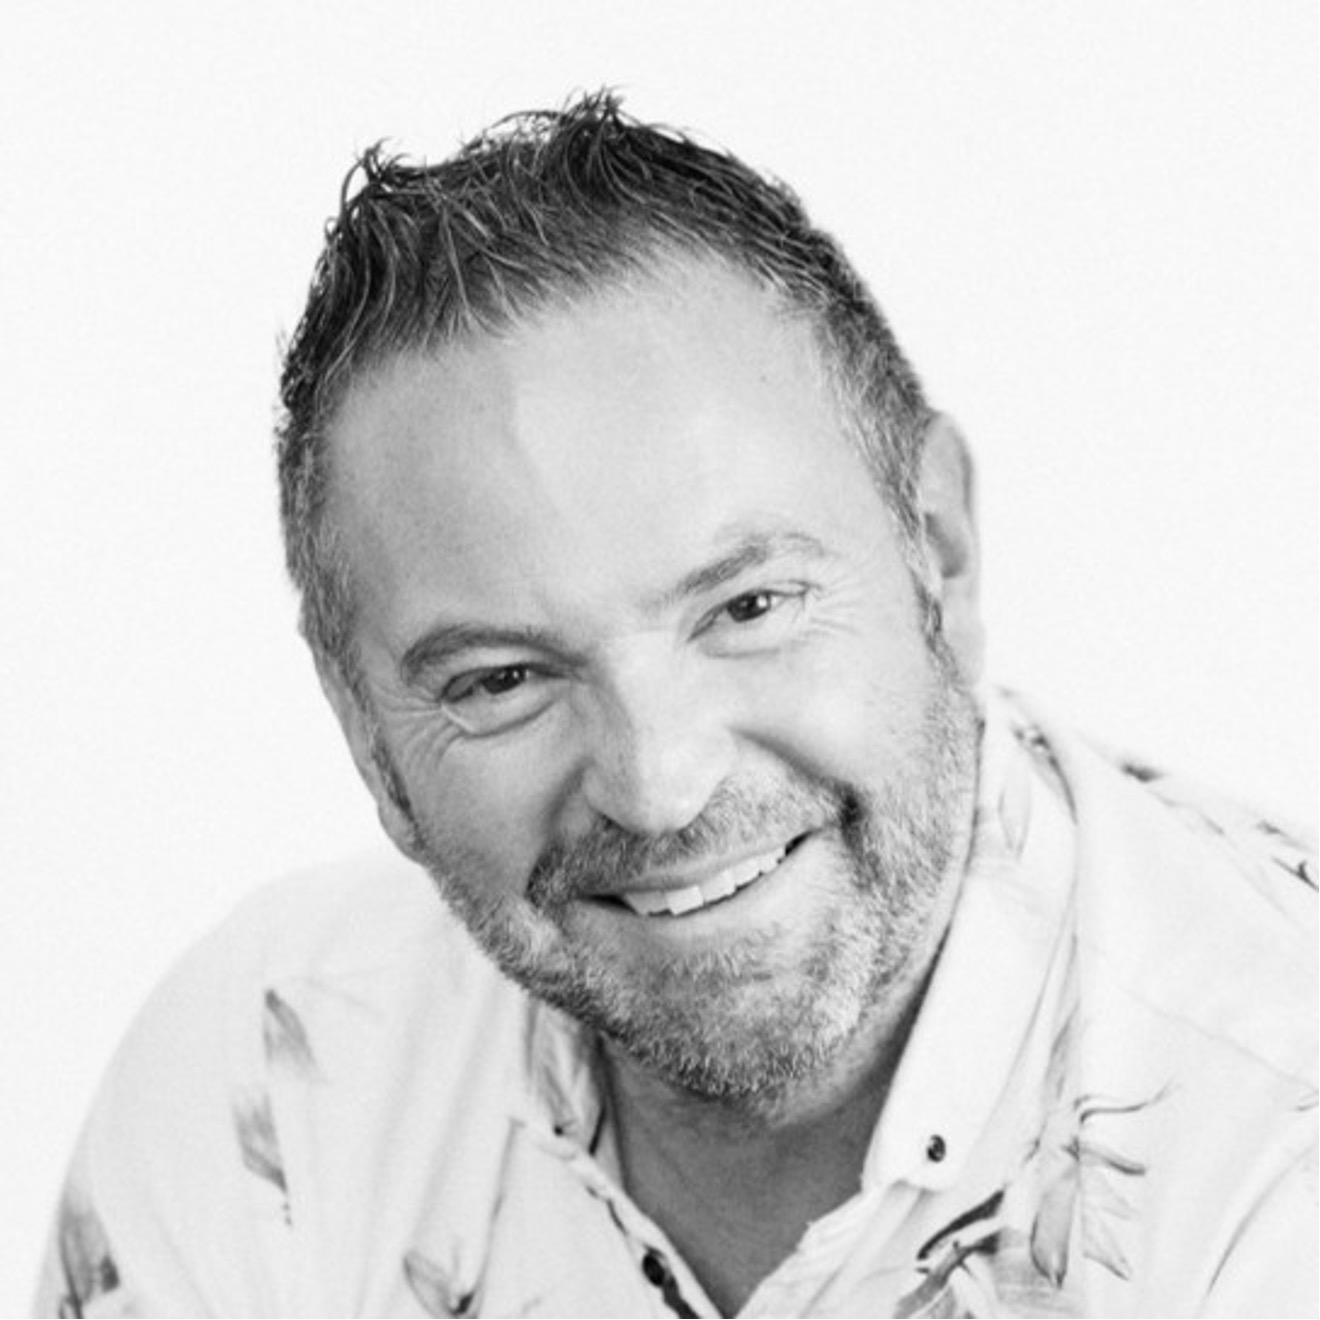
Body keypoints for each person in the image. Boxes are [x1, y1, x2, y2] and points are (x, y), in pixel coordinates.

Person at [38, 92, 1316, 1319]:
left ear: (938, 548)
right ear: (370, 744)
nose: (659, 787)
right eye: (504, 680)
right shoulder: (272, 1079)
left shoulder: (1276, 1136)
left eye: (747, 607)